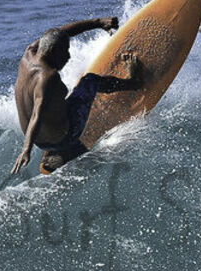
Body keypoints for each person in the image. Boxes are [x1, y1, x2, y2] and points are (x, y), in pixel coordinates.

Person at [11, 17, 141, 174]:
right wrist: (26, 149)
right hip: (63, 137)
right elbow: (36, 116)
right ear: (53, 52)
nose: (68, 56)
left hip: (41, 141)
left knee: (58, 99)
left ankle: (55, 150)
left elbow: (61, 33)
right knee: (89, 81)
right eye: (65, 52)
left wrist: (98, 23)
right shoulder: (47, 77)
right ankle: (133, 82)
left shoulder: (29, 52)